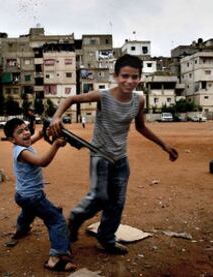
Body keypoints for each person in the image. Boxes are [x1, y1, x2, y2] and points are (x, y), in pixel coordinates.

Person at [50, 54, 178, 255]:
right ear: (116, 76)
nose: (129, 81)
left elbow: (141, 127)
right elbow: (72, 99)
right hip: (99, 156)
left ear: (140, 78)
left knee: (117, 203)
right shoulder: (103, 96)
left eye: (134, 77)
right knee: (99, 197)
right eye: (125, 76)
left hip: (120, 159)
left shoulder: (139, 100)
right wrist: (56, 118)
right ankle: (75, 218)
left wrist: (164, 145)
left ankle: (106, 239)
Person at [3, 118, 76, 272]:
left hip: (21, 195)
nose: (26, 133)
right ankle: (56, 258)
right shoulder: (22, 152)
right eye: (20, 132)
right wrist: (56, 144)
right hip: (33, 197)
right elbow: (42, 161)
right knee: (56, 220)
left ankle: (21, 230)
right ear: (11, 139)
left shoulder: (22, 144)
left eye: (26, 129)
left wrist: (44, 131)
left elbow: (35, 137)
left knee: (28, 213)